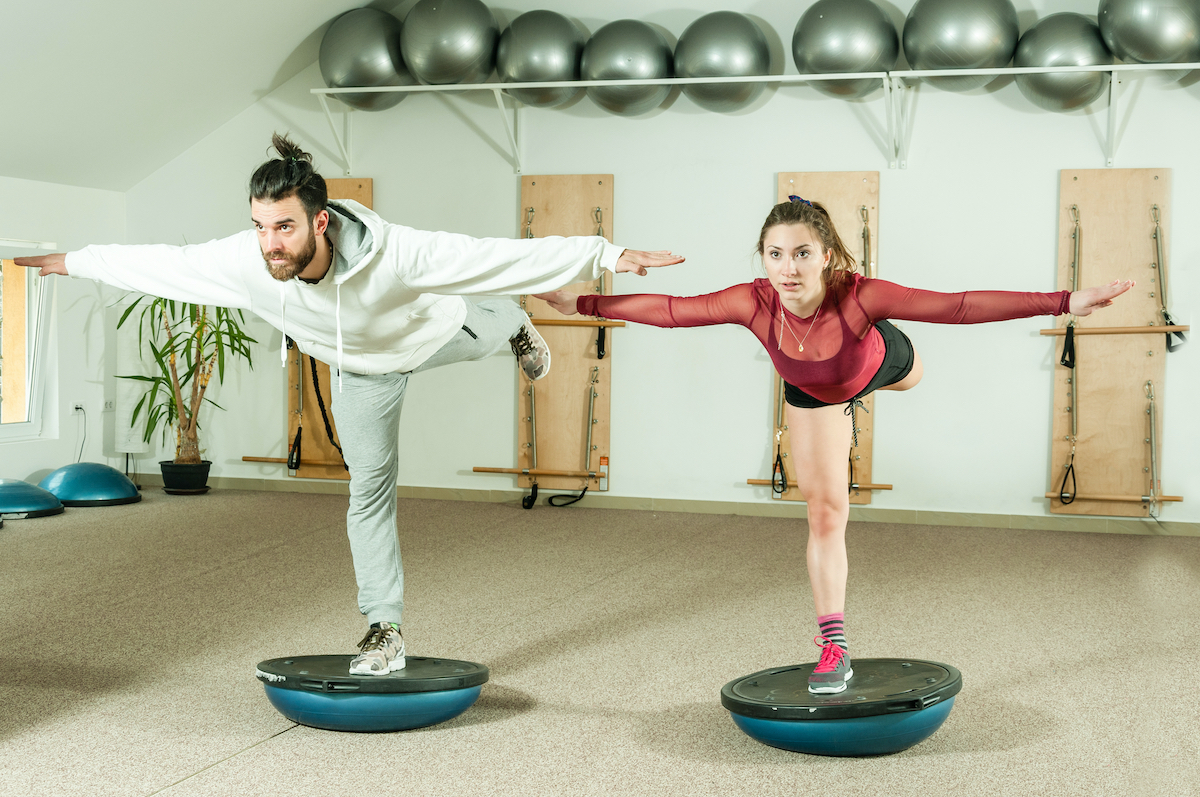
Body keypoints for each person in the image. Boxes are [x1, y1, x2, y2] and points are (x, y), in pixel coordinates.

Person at [16, 133, 683, 676]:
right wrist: (73, 261)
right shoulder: (249, 261)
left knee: (491, 314)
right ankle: (383, 628)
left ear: (320, 220)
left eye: (283, 226)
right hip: (362, 369)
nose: (269, 242)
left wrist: (607, 252)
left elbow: (493, 254)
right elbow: (169, 263)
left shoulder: (400, 255)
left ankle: (512, 326)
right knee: (368, 491)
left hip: (434, 329)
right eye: (259, 226)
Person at [535, 196, 1132, 695]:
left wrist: (1066, 302)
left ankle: (876, 380)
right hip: (814, 394)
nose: (787, 268)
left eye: (801, 253)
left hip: (882, 360)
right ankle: (834, 646)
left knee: (913, 373)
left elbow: (959, 307)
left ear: (828, 256)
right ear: (762, 258)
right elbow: (669, 311)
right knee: (825, 513)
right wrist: (579, 302)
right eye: (775, 254)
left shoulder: (860, 295)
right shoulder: (754, 301)